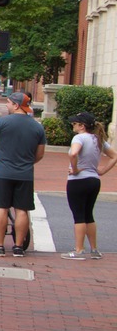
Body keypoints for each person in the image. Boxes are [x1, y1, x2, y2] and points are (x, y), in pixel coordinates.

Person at [0, 91, 46, 256]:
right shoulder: (37, 126)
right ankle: (18, 247)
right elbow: (40, 153)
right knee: (22, 210)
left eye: (8, 102)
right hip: (25, 174)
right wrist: (28, 163)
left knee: (1, 208)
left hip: (2, 172)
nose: (7, 105)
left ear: (16, 105)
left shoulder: (2, 122)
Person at [63, 111, 115, 259]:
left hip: (78, 180)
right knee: (88, 215)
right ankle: (94, 250)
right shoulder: (98, 139)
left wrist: (75, 168)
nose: (73, 125)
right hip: (94, 180)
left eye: (75, 123)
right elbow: (114, 156)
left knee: (78, 216)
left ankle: (79, 250)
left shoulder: (79, 138)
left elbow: (73, 154)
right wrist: (103, 170)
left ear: (82, 126)